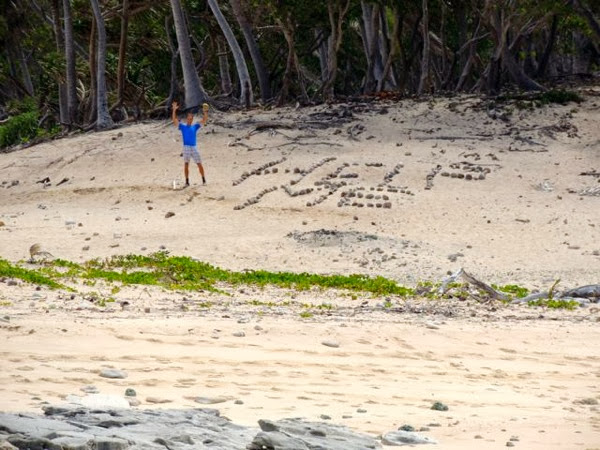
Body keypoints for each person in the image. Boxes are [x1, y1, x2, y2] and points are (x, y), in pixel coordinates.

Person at [171, 101, 209, 186]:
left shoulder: (195, 126)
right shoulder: (183, 126)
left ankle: (204, 180)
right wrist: (174, 110)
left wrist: (205, 112)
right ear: (187, 119)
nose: (189, 120)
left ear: (192, 119)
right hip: (186, 147)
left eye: (191, 118)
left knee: (199, 163)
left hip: (193, 147)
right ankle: (187, 182)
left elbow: (204, 120)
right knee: (186, 164)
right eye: (188, 118)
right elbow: (174, 120)